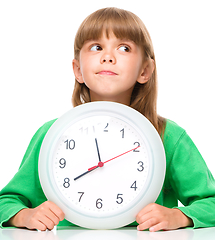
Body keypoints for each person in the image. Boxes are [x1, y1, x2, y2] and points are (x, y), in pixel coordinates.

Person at [0, 7, 215, 232]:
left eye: (124, 48)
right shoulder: (51, 135)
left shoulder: (168, 136)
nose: (108, 56)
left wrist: (180, 216)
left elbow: (211, 202)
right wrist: (25, 216)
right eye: (97, 47)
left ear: (145, 70)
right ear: (78, 70)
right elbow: (6, 202)